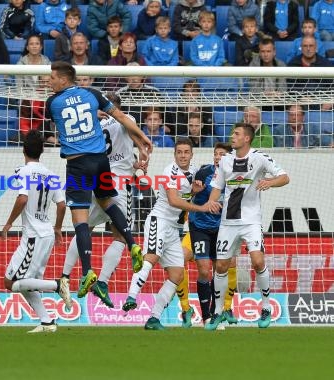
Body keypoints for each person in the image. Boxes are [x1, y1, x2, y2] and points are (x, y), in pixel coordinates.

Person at [46, 61, 153, 298]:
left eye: (52, 77)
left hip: (78, 163)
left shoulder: (54, 102)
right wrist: (144, 141)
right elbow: (125, 121)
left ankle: (77, 274)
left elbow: (60, 119)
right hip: (104, 166)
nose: (49, 81)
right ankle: (130, 246)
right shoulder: (95, 96)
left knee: (82, 223)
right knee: (112, 215)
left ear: (63, 79)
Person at [122, 138, 219, 330]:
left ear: (192, 154)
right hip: (159, 221)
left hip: (174, 229)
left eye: (186, 152)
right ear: (174, 155)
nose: (183, 155)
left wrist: (193, 191)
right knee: (151, 257)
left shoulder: (194, 172)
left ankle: (154, 318)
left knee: (177, 274)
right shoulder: (169, 172)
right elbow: (174, 201)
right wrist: (200, 207)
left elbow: (185, 195)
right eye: (179, 152)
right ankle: (131, 296)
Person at [60, 92, 144, 308]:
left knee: (84, 227)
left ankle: (66, 275)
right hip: (119, 183)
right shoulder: (127, 119)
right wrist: (144, 145)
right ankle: (103, 282)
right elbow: (131, 131)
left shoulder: (91, 125)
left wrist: (134, 161)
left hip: (97, 177)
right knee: (121, 236)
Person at [205, 123, 290, 330]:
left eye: (236, 134)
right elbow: (216, 189)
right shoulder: (225, 161)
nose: (232, 137)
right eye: (233, 133)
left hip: (251, 221)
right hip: (228, 222)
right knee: (221, 266)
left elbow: (285, 177)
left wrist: (270, 182)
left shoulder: (259, 157)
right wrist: (211, 202)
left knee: (257, 260)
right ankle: (217, 312)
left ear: (247, 139)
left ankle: (266, 306)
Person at [1, 130, 69, 333]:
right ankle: (47, 322)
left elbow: (22, 199)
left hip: (33, 236)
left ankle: (58, 285)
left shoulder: (23, 171)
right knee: (28, 282)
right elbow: (62, 204)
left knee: (10, 281)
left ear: (23, 149)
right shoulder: (52, 174)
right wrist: (58, 228)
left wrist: (8, 224)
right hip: (46, 233)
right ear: (42, 151)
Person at [187, 142, 238, 326]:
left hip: (222, 229)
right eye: (216, 154)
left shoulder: (234, 177)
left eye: (222, 154)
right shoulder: (203, 173)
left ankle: (218, 313)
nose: (217, 157)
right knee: (203, 270)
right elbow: (190, 194)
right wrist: (194, 190)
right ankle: (206, 315)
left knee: (220, 271)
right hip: (199, 226)